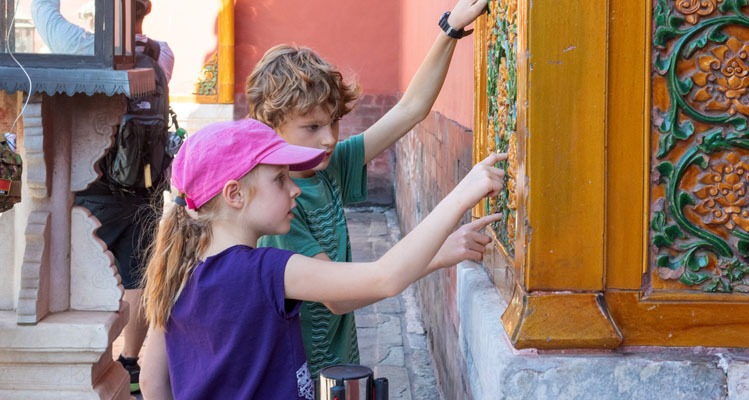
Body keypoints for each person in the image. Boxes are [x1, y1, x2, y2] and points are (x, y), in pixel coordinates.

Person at [138, 118, 506, 399]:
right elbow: (384, 277)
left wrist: (442, 252)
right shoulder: (267, 270)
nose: (295, 188)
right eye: (280, 180)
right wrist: (463, 193)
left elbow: (152, 379)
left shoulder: (178, 269)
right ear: (235, 194)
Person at [246, 0, 490, 378]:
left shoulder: (324, 168)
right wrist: (440, 253)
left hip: (337, 362)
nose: (328, 139)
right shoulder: (277, 207)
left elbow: (410, 110)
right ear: (271, 126)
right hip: (301, 374)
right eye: (311, 128)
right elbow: (339, 298)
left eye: (334, 123)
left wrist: (450, 30)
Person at [32, 0, 175, 393]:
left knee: (78, 267)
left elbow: (42, 12)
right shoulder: (161, 52)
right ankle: (129, 364)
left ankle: (87, 359)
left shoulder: (83, 44)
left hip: (97, 182)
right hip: (147, 184)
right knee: (139, 276)